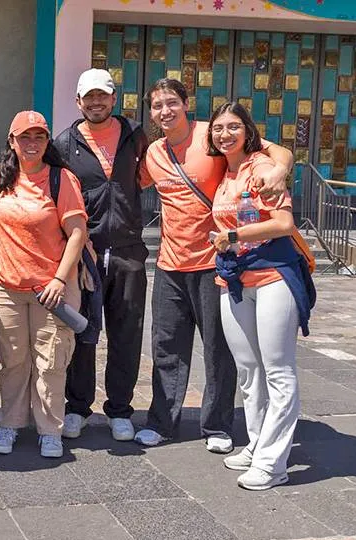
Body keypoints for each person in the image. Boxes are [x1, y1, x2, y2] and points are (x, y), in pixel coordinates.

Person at [135, 78, 294, 452]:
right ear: (151, 112)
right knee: (166, 347)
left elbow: (273, 151)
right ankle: (163, 422)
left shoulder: (212, 134)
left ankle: (218, 425)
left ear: (186, 104)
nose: (165, 111)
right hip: (170, 264)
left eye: (172, 102)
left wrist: (279, 169)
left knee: (219, 350)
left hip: (214, 262)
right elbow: (127, 183)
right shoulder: (154, 151)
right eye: (157, 106)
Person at [208, 102, 313, 490]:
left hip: (272, 277)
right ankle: (257, 443)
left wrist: (233, 237)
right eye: (218, 128)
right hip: (234, 279)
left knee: (278, 370)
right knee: (249, 368)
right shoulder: (225, 170)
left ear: (248, 131)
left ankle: (273, 463)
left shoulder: (262, 168)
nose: (225, 135)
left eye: (234, 127)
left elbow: (283, 224)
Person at [0, 111, 87, 459]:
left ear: (47, 142)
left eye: (38, 137)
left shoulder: (61, 179)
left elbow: (76, 233)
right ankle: (10, 424)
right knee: (12, 360)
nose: (31, 144)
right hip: (4, 285)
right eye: (23, 137)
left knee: (50, 362)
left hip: (51, 290)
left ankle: (49, 429)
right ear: (11, 141)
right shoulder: (2, 178)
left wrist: (60, 278)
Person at [53, 69, 148, 442]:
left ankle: (120, 409)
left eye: (102, 96)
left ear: (113, 99)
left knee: (127, 333)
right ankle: (77, 406)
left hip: (128, 250)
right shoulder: (64, 144)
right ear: (78, 102)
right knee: (83, 332)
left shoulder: (135, 136)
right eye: (88, 97)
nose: (96, 103)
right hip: (85, 253)